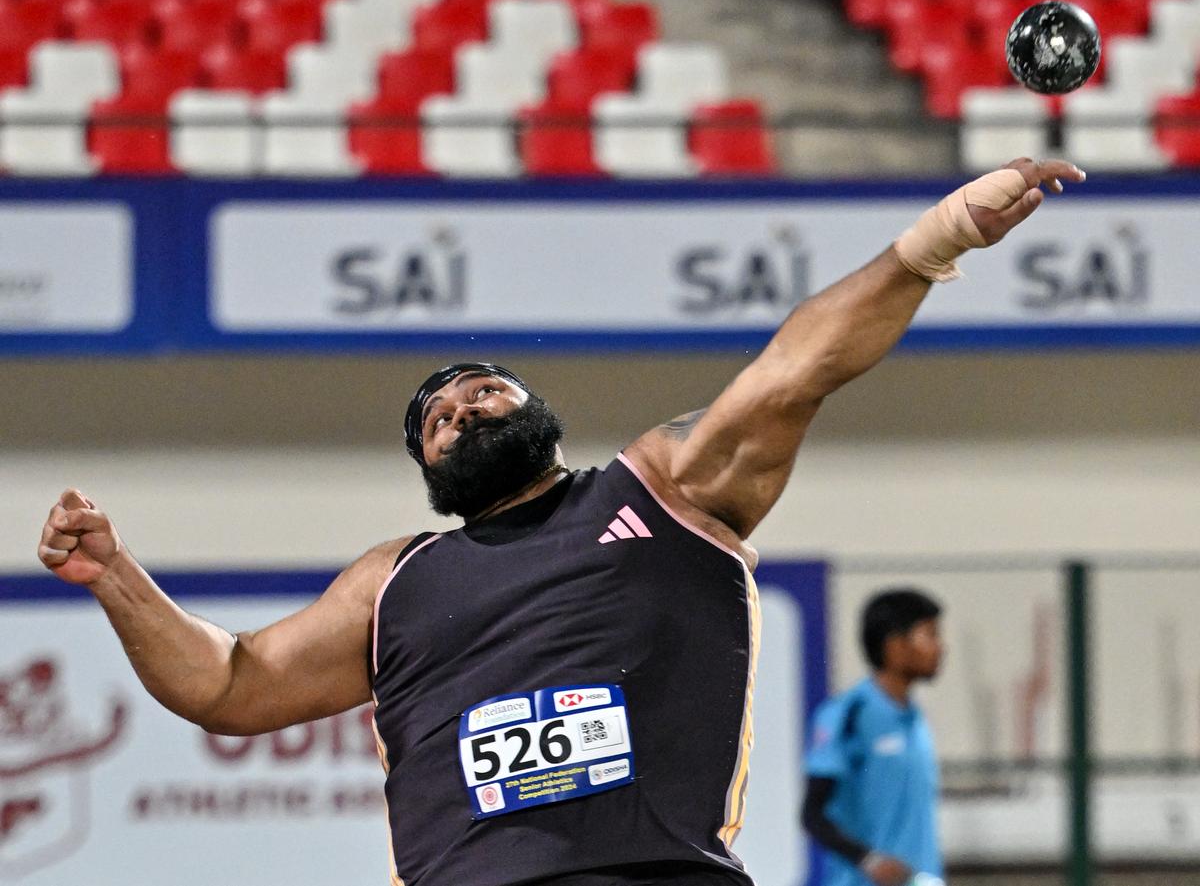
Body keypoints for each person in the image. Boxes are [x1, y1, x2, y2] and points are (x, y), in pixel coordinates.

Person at [37, 158, 1082, 886]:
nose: (461, 408)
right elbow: (228, 686)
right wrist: (117, 576)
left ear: (539, 415)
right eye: (436, 419)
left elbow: (793, 371)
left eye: (485, 390)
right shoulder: (394, 579)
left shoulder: (659, 492)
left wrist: (934, 242)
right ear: (429, 471)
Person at [801, 589, 946, 886]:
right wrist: (868, 859)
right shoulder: (849, 714)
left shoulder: (915, 719)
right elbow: (812, 814)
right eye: (929, 635)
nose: (941, 647)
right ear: (895, 645)